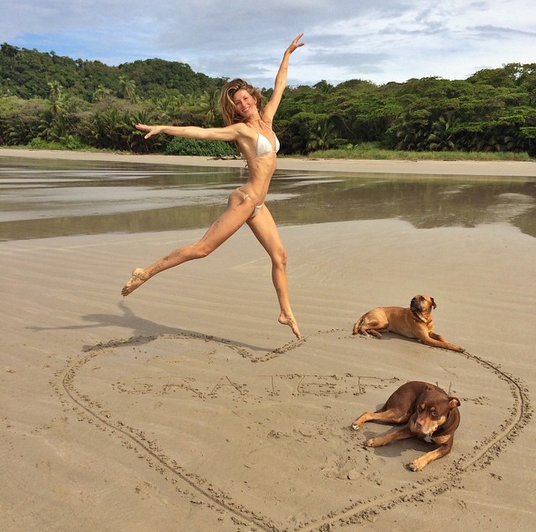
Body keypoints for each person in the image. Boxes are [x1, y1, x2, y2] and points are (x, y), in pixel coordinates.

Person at [121, 34, 305, 339]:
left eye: (246, 98)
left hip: (258, 205)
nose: (244, 104)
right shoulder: (241, 131)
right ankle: (145, 272)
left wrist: (287, 54)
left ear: (255, 98)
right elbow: (203, 133)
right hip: (246, 200)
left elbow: (281, 85)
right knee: (203, 249)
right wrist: (164, 127)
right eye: (238, 102)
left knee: (280, 256)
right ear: (234, 108)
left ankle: (285, 313)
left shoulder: (268, 122)